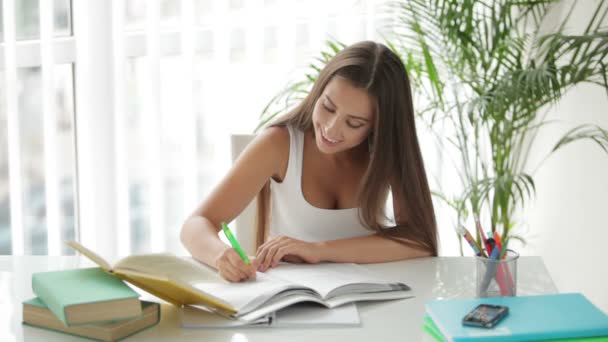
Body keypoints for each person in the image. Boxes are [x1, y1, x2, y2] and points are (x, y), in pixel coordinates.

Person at [181, 41, 438, 283]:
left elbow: (420, 242)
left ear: (378, 127)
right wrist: (219, 255)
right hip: (294, 298)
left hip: (369, 295)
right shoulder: (279, 144)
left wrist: (319, 250)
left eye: (354, 123)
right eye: (327, 106)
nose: (330, 129)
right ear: (319, 90)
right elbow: (196, 224)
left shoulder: (383, 153)